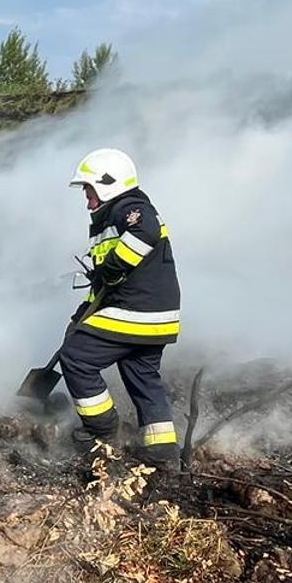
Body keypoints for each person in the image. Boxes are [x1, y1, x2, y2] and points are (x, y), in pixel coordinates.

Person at [60, 148, 183, 464]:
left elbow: (146, 232)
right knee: (142, 376)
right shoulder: (109, 222)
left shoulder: (129, 207)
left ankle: (103, 431)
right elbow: (104, 284)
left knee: (75, 358)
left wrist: (114, 267)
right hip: (158, 318)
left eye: (89, 191)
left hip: (135, 312)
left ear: (107, 184)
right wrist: (83, 313)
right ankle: (161, 453)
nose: (88, 201)